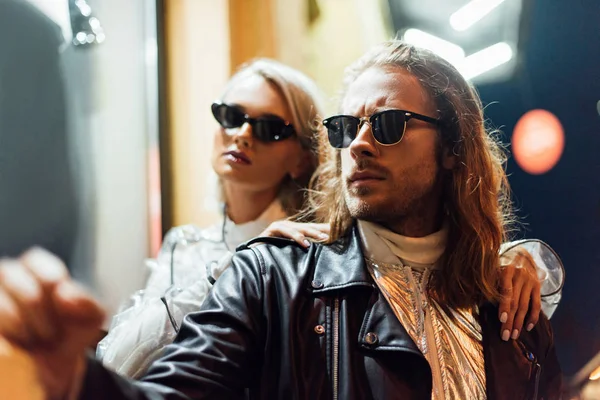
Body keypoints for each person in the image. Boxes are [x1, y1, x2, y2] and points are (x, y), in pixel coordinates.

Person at [0, 41, 563, 399]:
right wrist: (74, 380)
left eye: (387, 124)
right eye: (346, 128)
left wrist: (524, 257)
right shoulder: (272, 276)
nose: (360, 145)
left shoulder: (509, 299)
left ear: (453, 149)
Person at [96, 58, 331, 377]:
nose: (243, 134)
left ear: (302, 160)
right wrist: (231, 267)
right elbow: (118, 364)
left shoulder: (311, 254)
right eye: (231, 116)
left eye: (270, 129)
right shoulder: (186, 246)